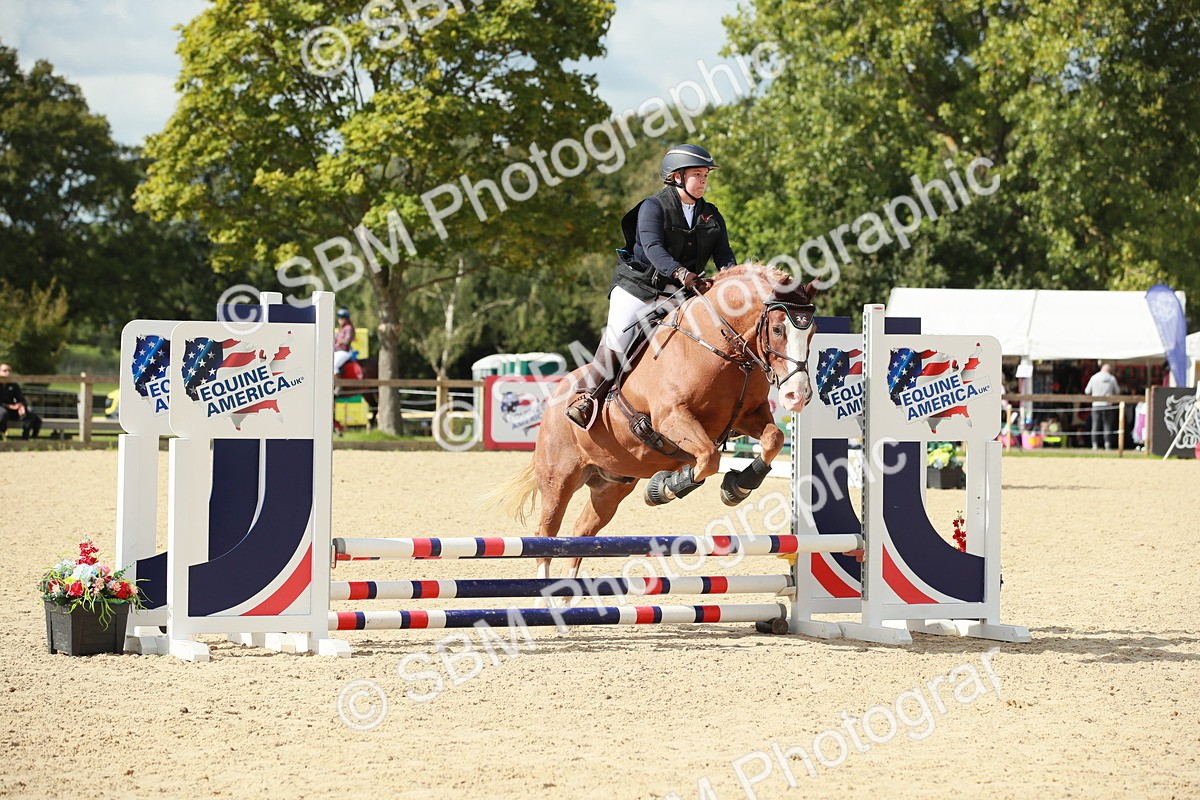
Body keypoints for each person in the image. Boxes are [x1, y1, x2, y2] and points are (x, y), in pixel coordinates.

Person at [565, 143, 738, 429]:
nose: (704, 180)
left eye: (706, 175)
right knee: (620, 333)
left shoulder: (711, 215)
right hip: (640, 287)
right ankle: (588, 397)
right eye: (698, 174)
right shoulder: (653, 207)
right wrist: (681, 272)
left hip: (681, 293)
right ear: (677, 176)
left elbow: (724, 255)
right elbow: (653, 247)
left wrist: (732, 279)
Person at [1084, 362, 1121, 450]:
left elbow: (1087, 391)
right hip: (1107, 405)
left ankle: (1095, 445)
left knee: (1095, 425)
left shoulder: (1094, 377)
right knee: (1107, 425)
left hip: (1096, 405)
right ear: (1109, 370)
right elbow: (1117, 391)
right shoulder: (1111, 379)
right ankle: (1107, 445)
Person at [0, 363, 42, 440]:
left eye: (9, 371)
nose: (7, 373)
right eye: (5, 371)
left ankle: (25, 438)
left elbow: (21, 399)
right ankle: (2, 435)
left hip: (12, 409)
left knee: (31, 412)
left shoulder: (14, 385)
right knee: (3, 413)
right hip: (2, 408)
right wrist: (9, 406)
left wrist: (21, 405)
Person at [333, 308, 355, 375]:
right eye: (339, 318)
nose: (340, 320)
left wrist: (340, 341)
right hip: (337, 352)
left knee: (333, 366)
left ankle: (338, 385)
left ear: (346, 319)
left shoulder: (349, 328)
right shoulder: (341, 329)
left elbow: (347, 341)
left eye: (342, 318)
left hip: (344, 352)